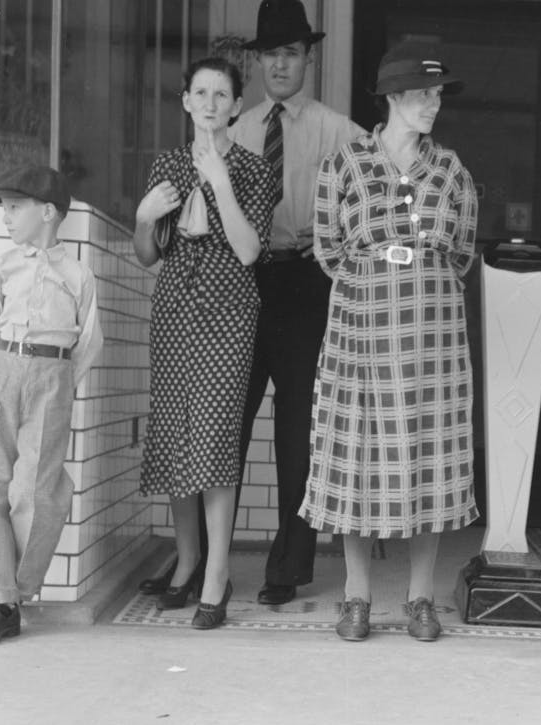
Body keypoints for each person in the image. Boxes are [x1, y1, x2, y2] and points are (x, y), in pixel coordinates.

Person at [137, 0, 365, 607]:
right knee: (221, 425)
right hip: (233, 289)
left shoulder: (339, 131)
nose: (281, 64)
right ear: (258, 63)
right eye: (271, 54)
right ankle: (206, 565)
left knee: (296, 430)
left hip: (304, 280)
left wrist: (342, 251)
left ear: (308, 60)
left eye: (292, 53)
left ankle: (287, 567)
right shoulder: (231, 132)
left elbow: (374, 188)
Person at [299, 40, 478, 642]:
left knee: (426, 452)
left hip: (432, 338)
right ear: (394, 97)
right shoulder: (343, 166)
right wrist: (376, 281)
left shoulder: (452, 172)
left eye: (437, 95)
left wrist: (418, 283)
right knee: (357, 453)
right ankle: (356, 598)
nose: (434, 105)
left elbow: (461, 253)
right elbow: (327, 248)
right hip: (360, 330)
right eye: (424, 94)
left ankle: (421, 598)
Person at [133, 57, 276, 630]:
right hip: (173, 310)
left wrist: (219, 182)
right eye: (201, 92)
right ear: (186, 102)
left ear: (237, 106)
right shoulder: (166, 165)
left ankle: (217, 570)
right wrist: (144, 219)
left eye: (223, 94)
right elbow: (150, 254)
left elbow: (247, 251)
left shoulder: (255, 170)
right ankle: (187, 559)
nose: (212, 102)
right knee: (174, 433)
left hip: (228, 314)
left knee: (214, 436)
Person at [0, 165, 103, 645]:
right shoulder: (3, 267)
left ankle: (13, 592)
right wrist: (8, 367)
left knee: (35, 488)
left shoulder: (77, 274)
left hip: (53, 375)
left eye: (14, 207)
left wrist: (59, 379)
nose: (6, 216)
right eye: (3, 206)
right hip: (4, 367)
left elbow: (88, 341)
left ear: (48, 212)